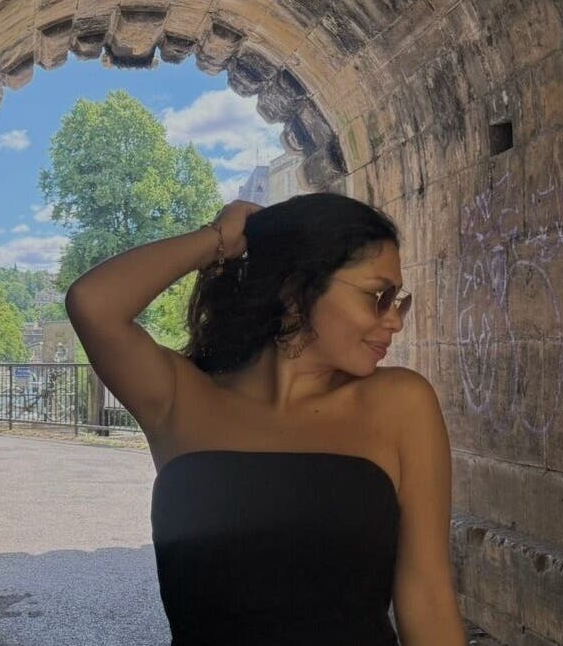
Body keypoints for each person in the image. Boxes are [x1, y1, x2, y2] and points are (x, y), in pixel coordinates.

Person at [64, 193, 466, 645]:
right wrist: (218, 240)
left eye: (400, 301)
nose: (395, 321)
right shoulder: (180, 396)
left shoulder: (400, 404)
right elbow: (91, 303)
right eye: (379, 297)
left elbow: (428, 600)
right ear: (295, 288)